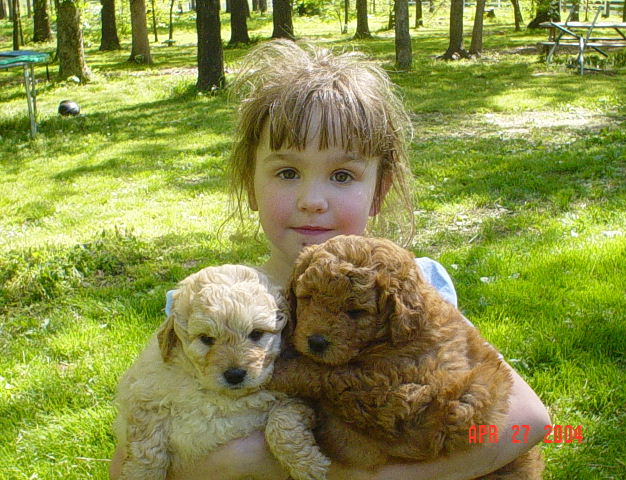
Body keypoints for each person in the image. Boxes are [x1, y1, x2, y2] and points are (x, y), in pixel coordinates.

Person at [110, 39, 550, 480]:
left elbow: (528, 422)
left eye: (342, 175)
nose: (312, 200)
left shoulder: (412, 291)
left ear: (378, 190)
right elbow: (131, 454)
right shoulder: (207, 308)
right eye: (287, 172)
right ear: (250, 184)